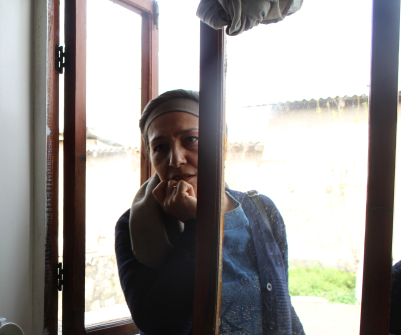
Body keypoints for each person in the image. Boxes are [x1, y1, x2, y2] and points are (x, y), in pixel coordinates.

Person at [115, 89, 304, 334]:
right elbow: (159, 325)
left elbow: (282, 305)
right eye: (160, 147)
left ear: (221, 143)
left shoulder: (261, 210)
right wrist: (197, 225)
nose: (176, 159)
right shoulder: (134, 226)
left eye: (191, 139)